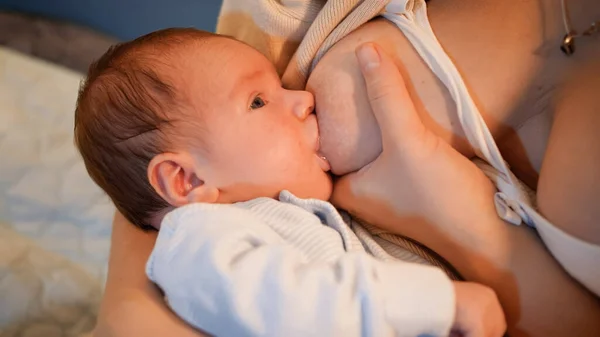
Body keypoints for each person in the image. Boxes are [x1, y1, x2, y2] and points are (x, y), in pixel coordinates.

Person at [93, 0, 600, 336]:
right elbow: (286, 298)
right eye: (258, 101)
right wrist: (439, 303)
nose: (301, 100)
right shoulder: (203, 237)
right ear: (185, 180)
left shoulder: (261, 217)